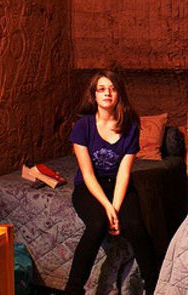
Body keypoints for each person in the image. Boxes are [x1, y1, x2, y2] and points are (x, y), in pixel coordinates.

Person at [65, 70, 159, 295]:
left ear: (119, 94)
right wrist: (107, 208)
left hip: (118, 184)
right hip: (89, 186)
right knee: (97, 224)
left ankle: (154, 286)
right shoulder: (83, 126)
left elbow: (124, 173)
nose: (107, 93)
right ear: (94, 95)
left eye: (112, 89)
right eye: (101, 89)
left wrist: (115, 209)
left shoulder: (131, 126)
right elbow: (87, 174)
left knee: (134, 225)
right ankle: (73, 290)